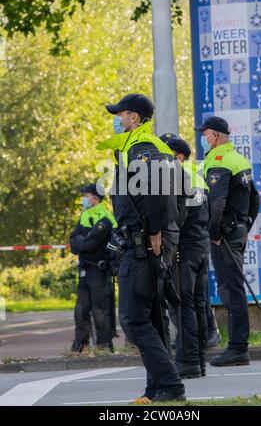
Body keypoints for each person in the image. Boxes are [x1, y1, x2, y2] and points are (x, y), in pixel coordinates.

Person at [97, 93, 186, 403]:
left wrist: (157, 231)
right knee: (153, 317)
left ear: (134, 118)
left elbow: (159, 192)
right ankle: (157, 389)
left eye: (120, 114)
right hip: (144, 240)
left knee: (134, 318)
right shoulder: (145, 147)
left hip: (142, 242)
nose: (117, 120)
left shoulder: (142, 148)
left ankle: (171, 385)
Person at [197, 116, 260, 367]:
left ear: (215, 136)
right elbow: (255, 199)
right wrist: (246, 227)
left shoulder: (220, 161)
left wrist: (214, 234)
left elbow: (217, 204)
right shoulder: (239, 159)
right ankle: (237, 346)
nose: (203, 138)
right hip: (236, 232)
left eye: (205, 133)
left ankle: (237, 348)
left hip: (224, 236)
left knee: (231, 291)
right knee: (233, 289)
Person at [160, 133, 210, 378]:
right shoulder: (198, 176)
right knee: (198, 304)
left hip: (184, 249)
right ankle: (198, 360)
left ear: (178, 156)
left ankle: (188, 361)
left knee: (182, 306)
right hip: (201, 246)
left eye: (166, 155)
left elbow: (176, 218)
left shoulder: (178, 175)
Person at [70, 183, 117, 353]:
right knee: (80, 309)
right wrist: (82, 241)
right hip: (85, 269)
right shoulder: (84, 216)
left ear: (95, 198)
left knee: (100, 310)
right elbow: (73, 241)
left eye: (86, 195)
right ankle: (81, 344)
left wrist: (81, 241)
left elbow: (89, 244)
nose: (84, 199)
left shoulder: (105, 217)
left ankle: (104, 346)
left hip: (99, 270)